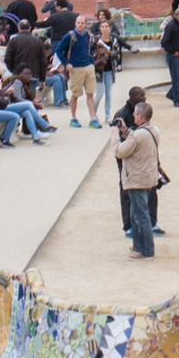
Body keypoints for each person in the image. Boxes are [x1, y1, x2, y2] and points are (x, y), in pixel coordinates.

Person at [110, 101, 163, 260]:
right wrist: (125, 130)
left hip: (137, 178)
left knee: (140, 215)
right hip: (146, 177)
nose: (133, 116)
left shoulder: (139, 134)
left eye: (135, 114)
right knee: (136, 213)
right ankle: (139, 245)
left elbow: (120, 151)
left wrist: (115, 136)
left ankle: (147, 250)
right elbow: (136, 140)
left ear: (140, 116)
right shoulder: (153, 130)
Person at [58, 15, 98, 126]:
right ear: (75, 23)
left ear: (86, 24)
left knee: (90, 93)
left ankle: (93, 118)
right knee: (75, 94)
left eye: (82, 23)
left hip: (88, 66)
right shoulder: (70, 36)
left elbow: (90, 49)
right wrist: (66, 64)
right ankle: (73, 118)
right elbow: (59, 50)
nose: (80, 25)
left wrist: (92, 63)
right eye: (78, 23)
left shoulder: (88, 35)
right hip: (76, 68)